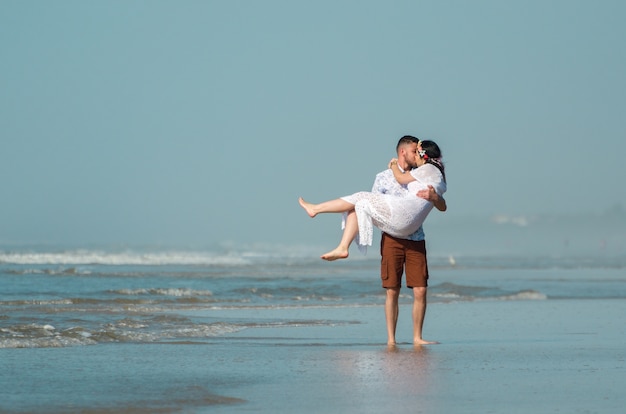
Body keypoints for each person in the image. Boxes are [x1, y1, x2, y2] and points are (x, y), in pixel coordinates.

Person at [298, 139, 446, 262]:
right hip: (406, 223)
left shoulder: (428, 169)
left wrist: (394, 165)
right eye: (413, 153)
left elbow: (401, 178)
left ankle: (316, 209)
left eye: (417, 153)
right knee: (360, 205)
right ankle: (342, 247)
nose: (415, 157)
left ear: (424, 156)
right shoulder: (434, 174)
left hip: (407, 219)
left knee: (361, 196)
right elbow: (442, 205)